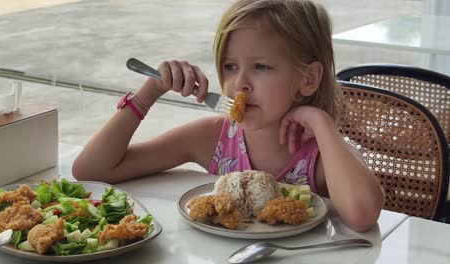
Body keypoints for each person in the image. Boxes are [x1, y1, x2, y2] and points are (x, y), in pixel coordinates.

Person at [73, 0, 385, 232]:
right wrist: (149, 92)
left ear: (308, 79)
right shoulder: (214, 138)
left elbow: (362, 216)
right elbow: (91, 170)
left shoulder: (321, 153)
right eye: (230, 66)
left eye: (261, 66)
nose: (239, 84)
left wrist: (321, 123)